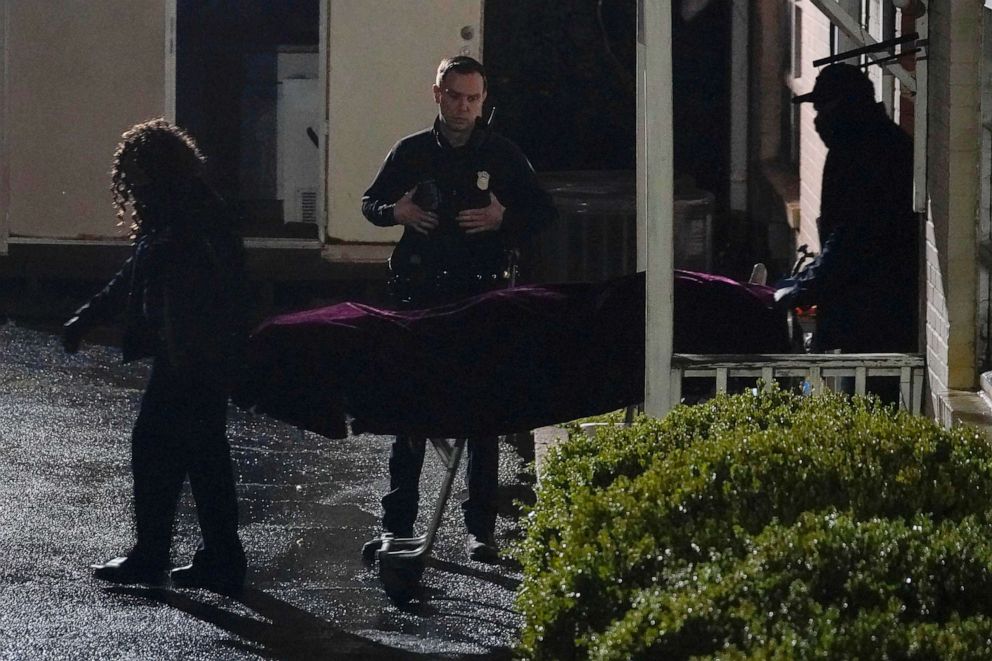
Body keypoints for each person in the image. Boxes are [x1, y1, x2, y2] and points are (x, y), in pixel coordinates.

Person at [361, 55, 557, 562]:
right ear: (437, 94)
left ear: (483, 99)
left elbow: (543, 212)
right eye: (454, 96)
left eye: (472, 98)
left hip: (479, 292)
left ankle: (481, 530)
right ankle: (398, 522)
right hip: (419, 290)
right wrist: (396, 212)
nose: (463, 107)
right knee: (409, 408)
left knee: (482, 411)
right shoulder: (411, 151)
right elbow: (370, 203)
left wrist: (503, 217)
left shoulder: (502, 153)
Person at [62, 119, 249, 591]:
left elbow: (147, 273)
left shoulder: (179, 215)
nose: (131, 182)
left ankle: (156, 556)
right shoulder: (194, 206)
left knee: (156, 452)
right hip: (201, 355)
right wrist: (87, 316)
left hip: (188, 357)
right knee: (202, 457)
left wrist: (87, 317)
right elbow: (141, 271)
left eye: (135, 170)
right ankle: (219, 560)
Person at [774, 63, 918, 362]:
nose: (817, 120)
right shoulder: (866, 146)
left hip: (876, 319)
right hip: (868, 311)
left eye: (821, 109)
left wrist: (806, 286)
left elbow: (854, 238)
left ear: (844, 107)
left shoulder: (868, 155)